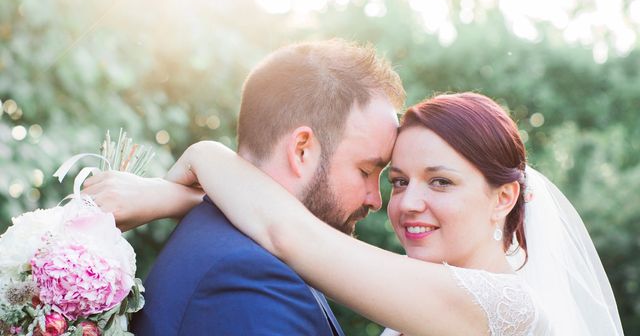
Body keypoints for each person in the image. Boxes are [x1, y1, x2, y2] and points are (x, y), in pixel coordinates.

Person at [87, 92, 624, 335]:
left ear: (504, 198)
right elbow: (289, 229)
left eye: (440, 181)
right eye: (397, 180)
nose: (408, 203)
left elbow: (292, 235)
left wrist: (205, 158)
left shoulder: (503, 309)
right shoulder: (421, 306)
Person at [86, 39, 405, 335]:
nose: (376, 199)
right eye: (366, 170)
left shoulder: (254, 257)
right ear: (302, 150)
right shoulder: (251, 281)